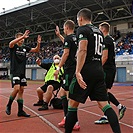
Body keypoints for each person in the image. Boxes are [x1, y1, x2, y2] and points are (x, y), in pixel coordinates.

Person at [65, 8, 121, 133]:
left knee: (72, 104)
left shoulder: (82, 29)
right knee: (104, 105)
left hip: (86, 70)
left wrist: (78, 71)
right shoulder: (99, 32)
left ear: (80, 18)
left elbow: (83, 50)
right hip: (99, 70)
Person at [94, 22, 126, 124]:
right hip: (111, 68)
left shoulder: (105, 40)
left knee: (102, 92)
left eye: (99, 29)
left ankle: (108, 114)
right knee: (104, 92)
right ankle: (118, 107)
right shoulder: (111, 40)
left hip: (107, 69)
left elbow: (105, 56)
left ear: (103, 30)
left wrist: (98, 68)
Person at [6, 30, 41, 117]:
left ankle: (20, 111)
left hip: (22, 72)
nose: (22, 40)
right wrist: (22, 37)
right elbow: (10, 43)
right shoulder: (13, 47)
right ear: (17, 38)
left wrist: (39, 43)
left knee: (21, 90)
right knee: (17, 88)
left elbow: (36, 50)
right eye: (20, 38)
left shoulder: (25, 48)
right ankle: (9, 105)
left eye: (23, 39)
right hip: (15, 71)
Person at [54, 20, 80, 130]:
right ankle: (66, 117)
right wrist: (59, 35)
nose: (63, 30)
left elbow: (66, 53)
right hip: (73, 69)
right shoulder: (75, 38)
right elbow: (67, 42)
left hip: (69, 70)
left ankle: (75, 121)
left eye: (64, 28)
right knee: (62, 93)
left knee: (70, 97)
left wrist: (58, 67)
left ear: (67, 28)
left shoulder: (69, 39)